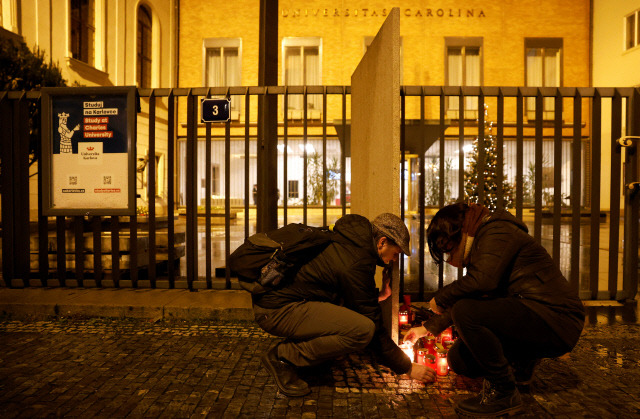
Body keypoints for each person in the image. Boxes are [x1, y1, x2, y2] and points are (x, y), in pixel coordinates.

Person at [404, 202, 585, 417]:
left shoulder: (496, 230)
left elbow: (482, 282)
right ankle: (521, 363)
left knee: (466, 312)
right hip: (528, 313)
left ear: (458, 232)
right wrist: (428, 328)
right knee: (459, 360)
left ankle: (503, 392)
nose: (450, 260)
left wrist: (441, 297)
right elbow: (479, 292)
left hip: (555, 317)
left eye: (448, 250)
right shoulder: (481, 239)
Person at [253, 213, 435, 397]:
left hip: (285, 301)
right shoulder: (357, 261)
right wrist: (407, 367)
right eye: (396, 253)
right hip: (277, 310)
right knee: (362, 330)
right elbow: (373, 326)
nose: (395, 260)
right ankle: (283, 356)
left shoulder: (351, 243)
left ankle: (310, 358)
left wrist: (379, 296)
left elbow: (351, 297)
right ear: (381, 242)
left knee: (351, 322)